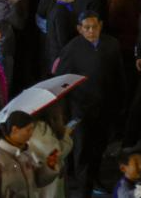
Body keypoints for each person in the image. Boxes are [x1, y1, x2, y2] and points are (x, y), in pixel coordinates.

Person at [53, 10, 125, 198]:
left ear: (101, 25)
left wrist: (119, 103)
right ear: (79, 29)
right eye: (87, 27)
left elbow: (119, 74)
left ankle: (95, 179)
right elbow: (61, 81)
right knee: (82, 149)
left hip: (105, 106)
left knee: (99, 146)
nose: (91, 31)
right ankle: (83, 187)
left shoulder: (111, 44)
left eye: (94, 27)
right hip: (80, 109)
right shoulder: (72, 49)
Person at [0, 110, 59, 195]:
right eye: (28, 130)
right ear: (15, 130)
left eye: (32, 130)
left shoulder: (25, 154)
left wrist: (49, 166)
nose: (31, 134)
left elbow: (36, 181)